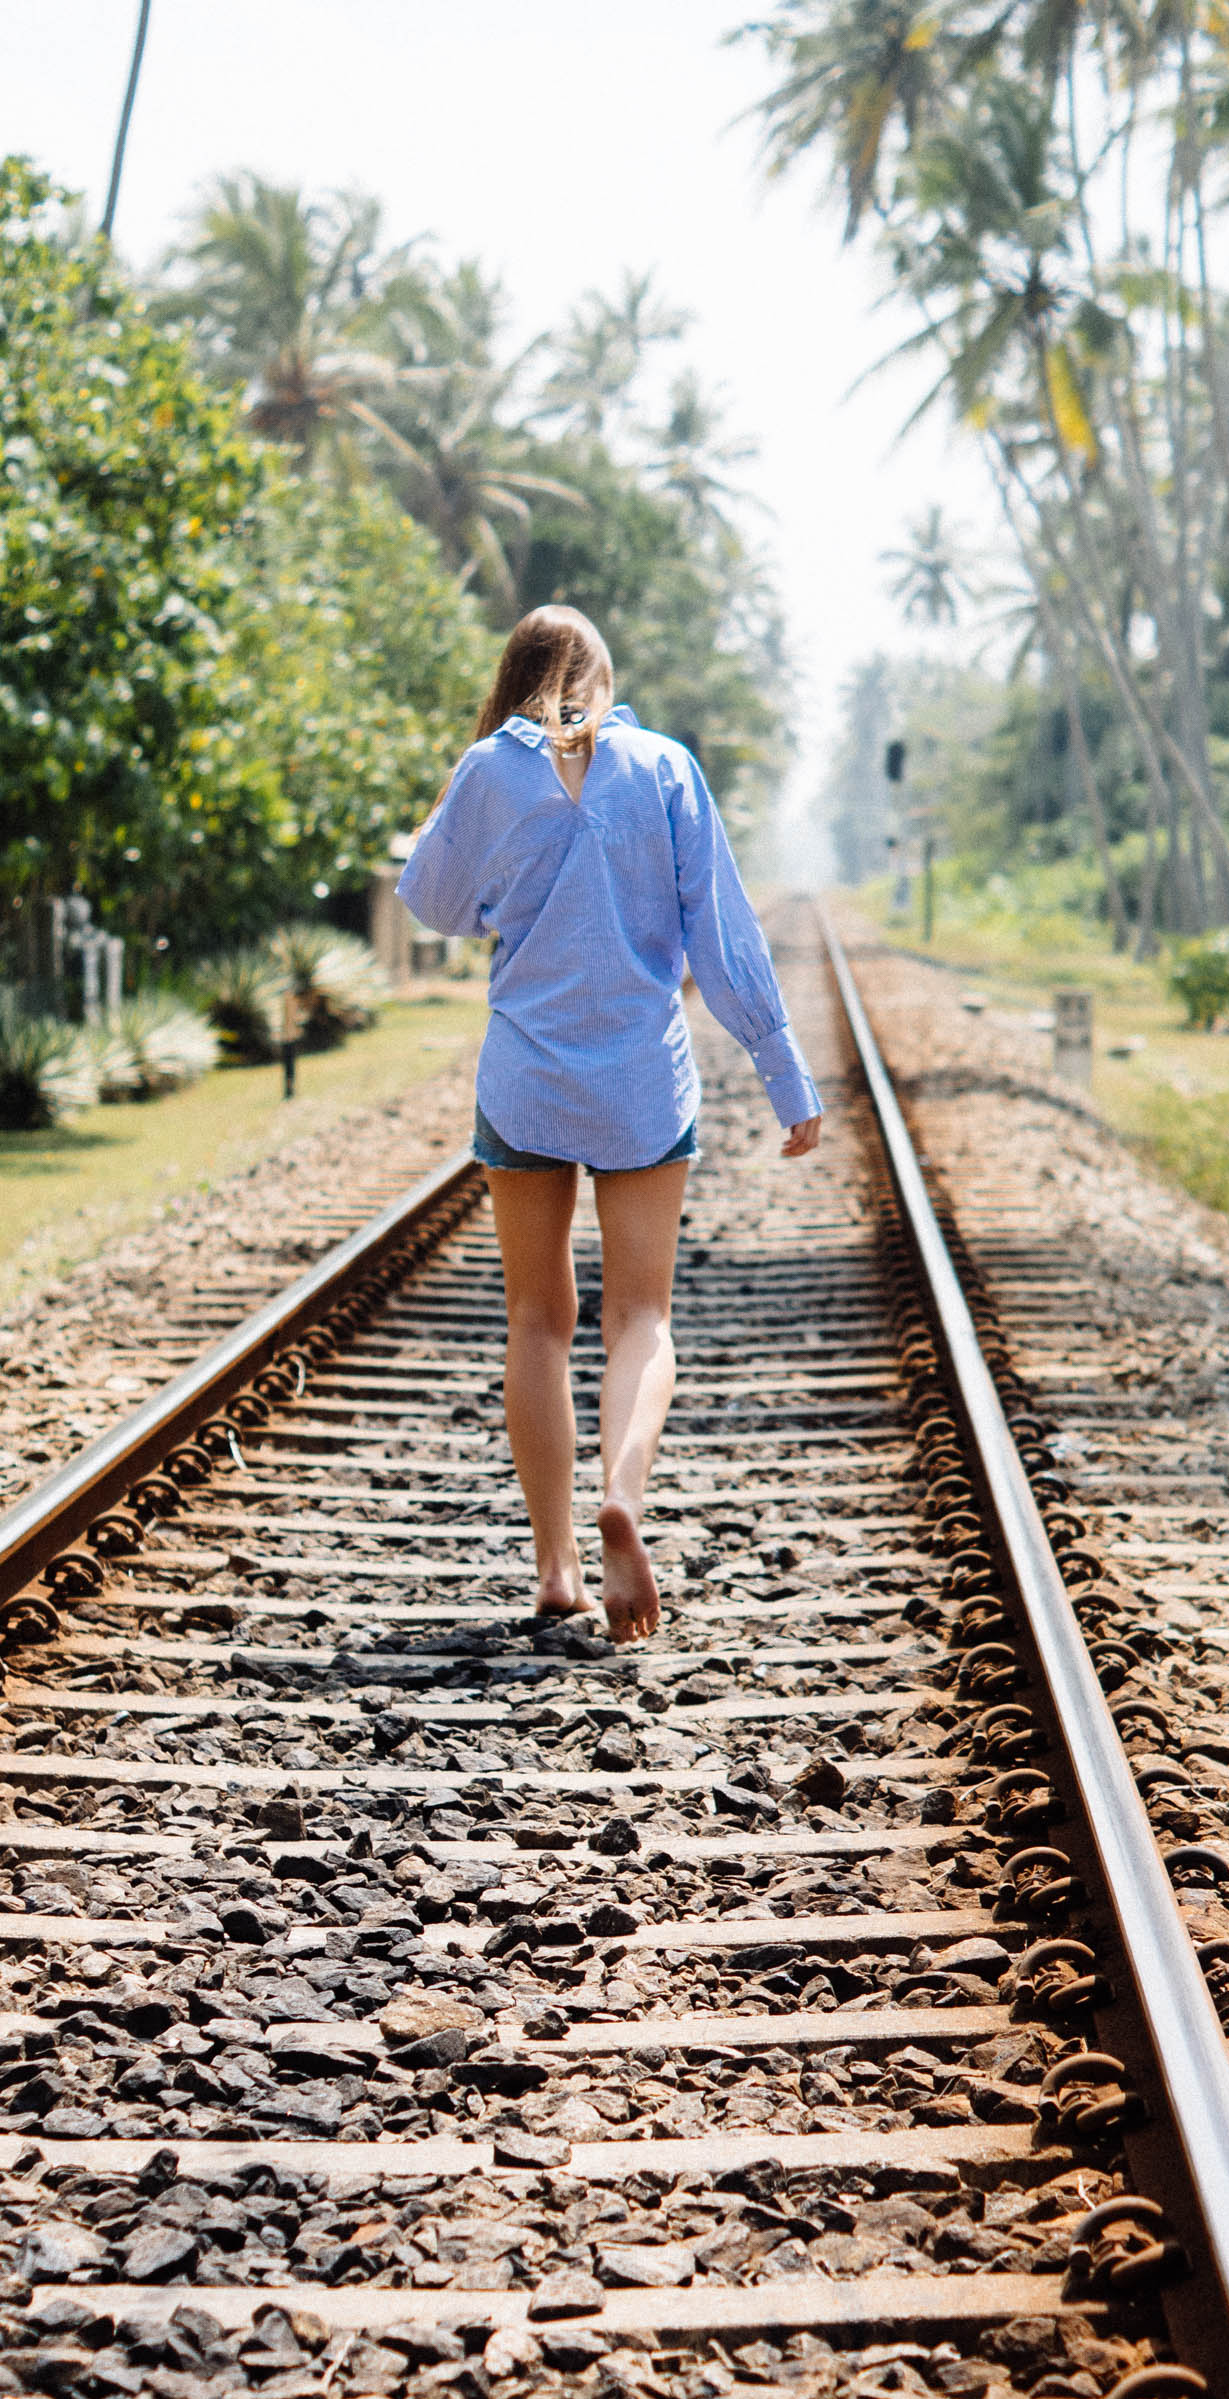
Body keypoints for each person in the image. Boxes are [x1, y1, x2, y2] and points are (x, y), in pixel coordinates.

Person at [397, 604, 822, 1642]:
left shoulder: (488, 772)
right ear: (602, 671)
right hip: (640, 1080)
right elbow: (719, 930)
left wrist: (474, 829)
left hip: (527, 1080)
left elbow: (433, 905)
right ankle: (622, 1493)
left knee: (539, 1319)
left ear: (516, 676)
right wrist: (785, 1076)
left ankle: (555, 1568)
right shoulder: (664, 767)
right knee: (641, 1315)